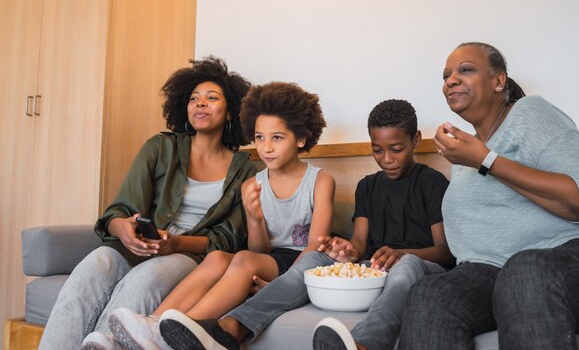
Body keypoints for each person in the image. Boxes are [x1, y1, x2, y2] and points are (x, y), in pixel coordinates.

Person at [156, 99, 454, 350]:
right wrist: (346, 249)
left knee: (407, 266)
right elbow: (360, 246)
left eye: (397, 149)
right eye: (378, 150)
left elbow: (445, 251)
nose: (387, 158)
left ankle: (364, 343)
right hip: (372, 270)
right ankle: (230, 330)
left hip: (416, 266)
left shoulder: (431, 183)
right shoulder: (367, 186)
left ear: (415, 141)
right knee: (314, 258)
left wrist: (403, 254)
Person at [398, 42, 579, 350]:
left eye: (465, 70)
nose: (450, 80)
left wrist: (487, 161)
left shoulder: (530, 113)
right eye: (446, 75)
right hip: (496, 273)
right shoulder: (466, 153)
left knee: (526, 269)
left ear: (498, 81)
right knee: (430, 293)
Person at [39, 57, 257, 350]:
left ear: (231, 109)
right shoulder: (160, 147)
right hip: (136, 245)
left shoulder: (246, 171)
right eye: (194, 99)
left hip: (187, 255)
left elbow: (227, 240)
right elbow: (119, 211)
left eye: (211, 98)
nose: (200, 104)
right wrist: (123, 229)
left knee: (147, 278)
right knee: (92, 265)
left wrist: (175, 244)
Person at [103, 81, 335, 350]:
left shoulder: (320, 181)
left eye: (277, 138)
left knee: (244, 259)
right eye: (259, 137)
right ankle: (154, 323)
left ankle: (181, 330)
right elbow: (260, 249)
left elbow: (316, 245)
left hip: (302, 262)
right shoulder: (252, 185)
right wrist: (255, 217)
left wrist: (281, 286)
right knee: (216, 257)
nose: (266, 147)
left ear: (302, 138)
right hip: (269, 260)